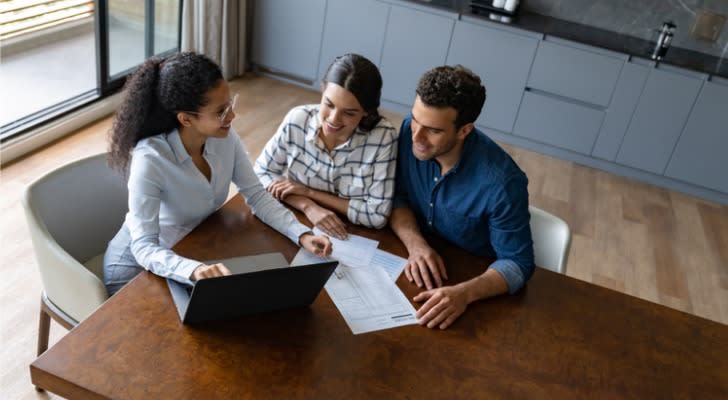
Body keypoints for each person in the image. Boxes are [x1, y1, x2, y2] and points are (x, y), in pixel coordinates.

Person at [104, 52, 331, 296]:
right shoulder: (151, 160)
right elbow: (144, 247)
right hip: (136, 268)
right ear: (186, 119)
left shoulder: (223, 137)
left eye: (230, 104)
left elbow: (256, 194)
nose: (232, 117)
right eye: (221, 111)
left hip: (190, 248)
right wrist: (191, 270)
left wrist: (301, 234)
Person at [391, 65, 534, 330]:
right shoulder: (410, 130)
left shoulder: (503, 184)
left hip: (472, 285)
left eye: (433, 130)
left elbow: (518, 264)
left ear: (465, 130)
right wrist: (416, 244)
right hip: (415, 263)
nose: (417, 137)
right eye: (415, 120)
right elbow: (398, 197)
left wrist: (464, 294)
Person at [253, 53, 398, 240]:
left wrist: (309, 192)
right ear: (322, 92)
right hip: (299, 223)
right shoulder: (297, 120)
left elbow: (377, 215)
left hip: (355, 235)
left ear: (366, 111)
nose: (333, 120)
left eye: (349, 113)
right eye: (328, 104)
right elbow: (260, 173)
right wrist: (308, 206)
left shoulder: (383, 138)